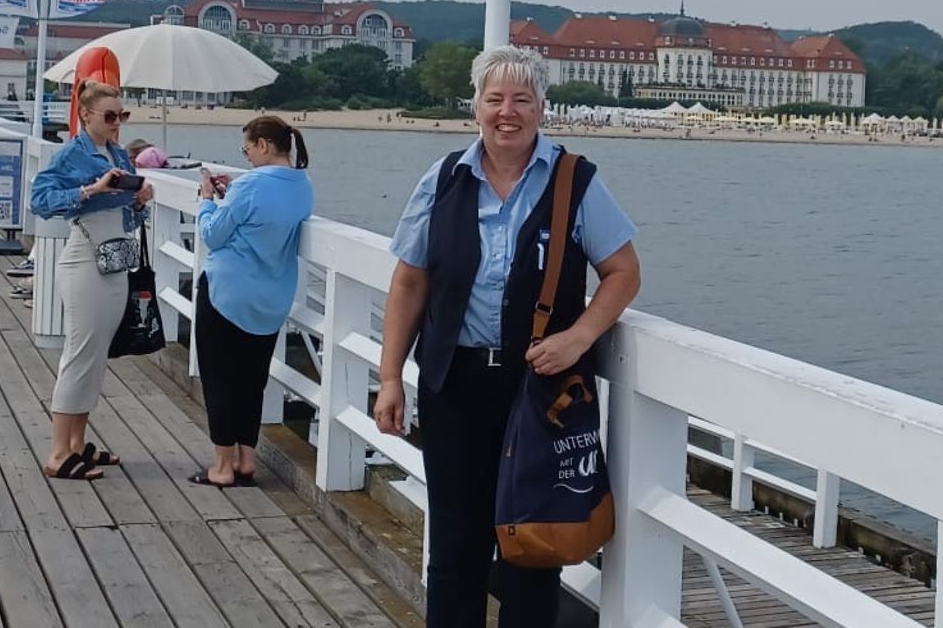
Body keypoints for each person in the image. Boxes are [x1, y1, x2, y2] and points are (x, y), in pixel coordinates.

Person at [375, 46, 642, 628]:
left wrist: (579, 337)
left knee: (532, 550)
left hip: (540, 391)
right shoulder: (444, 178)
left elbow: (623, 273)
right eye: (494, 98)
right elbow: (409, 282)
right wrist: (390, 377)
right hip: (455, 383)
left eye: (522, 99)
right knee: (454, 546)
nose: (507, 111)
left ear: (542, 107)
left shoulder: (575, 181)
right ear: (476, 106)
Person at [29, 82, 153, 481]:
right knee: (80, 353)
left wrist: (137, 201)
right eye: (110, 116)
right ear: (86, 116)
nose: (117, 123)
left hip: (113, 256)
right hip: (84, 259)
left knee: (96, 356)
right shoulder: (72, 153)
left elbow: (128, 216)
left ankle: (78, 443)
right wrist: (91, 189)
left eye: (123, 116)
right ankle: (58, 451)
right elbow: (41, 199)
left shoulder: (117, 153)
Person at [187, 116, 314, 487]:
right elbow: (263, 220)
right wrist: (233, 195)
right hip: (271, 298)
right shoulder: (303, 186)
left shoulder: (252, 184)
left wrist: (208, 200)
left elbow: (213, 234)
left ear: (263, 145)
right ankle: (246, 461)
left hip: (227, 293)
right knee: (251, 381)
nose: (246, 158)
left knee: (220, 379)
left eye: (247, 149)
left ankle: (222, 468)